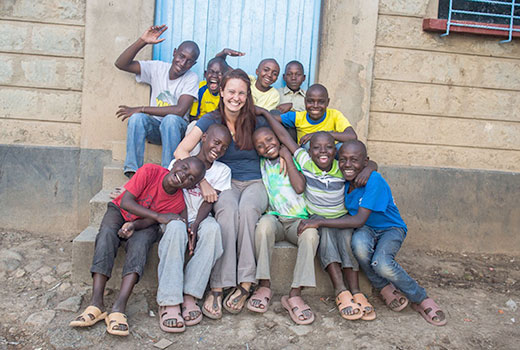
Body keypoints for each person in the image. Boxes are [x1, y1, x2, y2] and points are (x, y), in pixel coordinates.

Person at [299, 140, 448, 326]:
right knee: (358, 247)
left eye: (354, 160)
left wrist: (319, 221)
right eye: (343, 159)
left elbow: (358, 219)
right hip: (366, 229)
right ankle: (384, 287)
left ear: (365, 162)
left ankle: (420, 298)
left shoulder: (373, 180)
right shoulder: (344, 180)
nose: (347, 164)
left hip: (390, 229)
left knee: (382, 264)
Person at [70, 157, 206, 336]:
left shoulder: (178, 202)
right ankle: (96, 303)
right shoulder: (151, 171)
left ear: (191, 186)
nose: (183, 175)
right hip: (119, 211)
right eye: (184, 167)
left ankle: (119, 308)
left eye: (190, 178)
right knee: (106, 235)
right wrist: (158, 216)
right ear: (175, 163)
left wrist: (134, 225)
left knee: (140, 245)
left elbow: (151, 221)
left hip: (144, 224)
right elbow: (126, 202)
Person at [262, 110, 377, 321]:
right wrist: (265, 113)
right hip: (318, 219)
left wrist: (370, 167)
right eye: (316, 147)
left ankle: (356, 291)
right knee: (326, 244)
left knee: (347, 242)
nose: (322, 152)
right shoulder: (305, 162)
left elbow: (364, 162)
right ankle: (340, 291)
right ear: (309, 150)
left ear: (336, 150)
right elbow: (285, 137)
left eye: (329, 147)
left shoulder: (342, 167)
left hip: (342, 219)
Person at [174, 69, 269, 318]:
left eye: (241, 93)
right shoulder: (210, 120)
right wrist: (203, 181)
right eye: (231, 92)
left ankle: (246, 282)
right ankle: (218, 285)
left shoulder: (256, 120)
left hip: (254, 182)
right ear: (222, 92)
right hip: (223, 182)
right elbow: (180, 152)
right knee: (226, 212)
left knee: (248, 211)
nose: (235, 97)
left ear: (247, 96)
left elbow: (275, 144)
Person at [157, 124, 232, 332]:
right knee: (175, 230)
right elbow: (174, 194)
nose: (218, 149)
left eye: (224, 147)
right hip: (176, 214)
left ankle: (190, 295)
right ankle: (170, 300)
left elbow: (210, 202)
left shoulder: (223, 171)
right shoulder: (179, 162)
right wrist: (185, 224)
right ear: (204, 137)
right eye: (216, 142)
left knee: (213, 230)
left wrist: (196, 225)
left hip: (202, 216)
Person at [249, 126, 318, 325]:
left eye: (270, 140)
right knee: (263, 226)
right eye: (260, 146)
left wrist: (287, 156)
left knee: (311, 235)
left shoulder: (296, 159)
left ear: (278, 139)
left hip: (298, 220)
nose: (266, 146)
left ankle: (295, 293)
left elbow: (299, 187)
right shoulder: (261, 164)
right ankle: (264, 285)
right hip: (275, 218)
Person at [114, 24, 200, 178]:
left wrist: (141, 108)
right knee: (136, 119)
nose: (182, 63)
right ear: (174, 53)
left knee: (171, 120)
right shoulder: (157, 68)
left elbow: (180, 110)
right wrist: (142, 41)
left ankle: (168, 172)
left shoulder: (191, 78)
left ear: (193, 64)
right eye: (181, 56)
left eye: (189, 61)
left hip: (176, 131)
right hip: (155, 128)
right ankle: (133, 173)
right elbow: (121, 64)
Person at [278, 84, 356, 150]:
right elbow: (272, 119)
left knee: (348, 147)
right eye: (311, 101)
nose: (315, 106)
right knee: (310, 143)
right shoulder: (298, 117)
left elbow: (352, 136)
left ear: (327, 102)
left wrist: (318, 134)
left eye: (321, 102)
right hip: (308, 158)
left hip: (330, 155)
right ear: (305, 101)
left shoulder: (335, 115)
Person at [215, 49, 280, 110]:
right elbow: (220, 63)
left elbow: (262, 115)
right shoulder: (248, 80)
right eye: (266, 70)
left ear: (276, 78)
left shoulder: (274, 95)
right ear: (257, 71)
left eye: (274, 74)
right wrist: (224, 52)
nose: (269, 75)